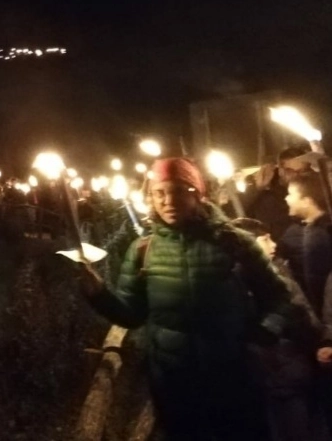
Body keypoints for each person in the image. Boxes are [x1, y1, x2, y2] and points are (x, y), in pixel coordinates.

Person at [78, 157, 295, 440]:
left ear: (197, 194)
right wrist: (99, 294)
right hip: (175, 386)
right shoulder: (144, 249)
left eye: (179, 191)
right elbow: (132, 314)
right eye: (160, 193)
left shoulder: (235, 242)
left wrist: (263, 334)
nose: (169, 200)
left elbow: (279, 296)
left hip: (234, 378)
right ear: (151, 198)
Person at [231, 217, 330, 441]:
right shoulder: (259, 282)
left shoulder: (276, 271)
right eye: (265, 239)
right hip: (282, 370)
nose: (274, 244)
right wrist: (318, 340)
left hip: (293, 367)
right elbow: (299, 315)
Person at [280, 171, 332, 318]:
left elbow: (317, 281)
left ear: (307, 201)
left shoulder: (319, 235)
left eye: (290, 194)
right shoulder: (311, 230)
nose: (286, 198)